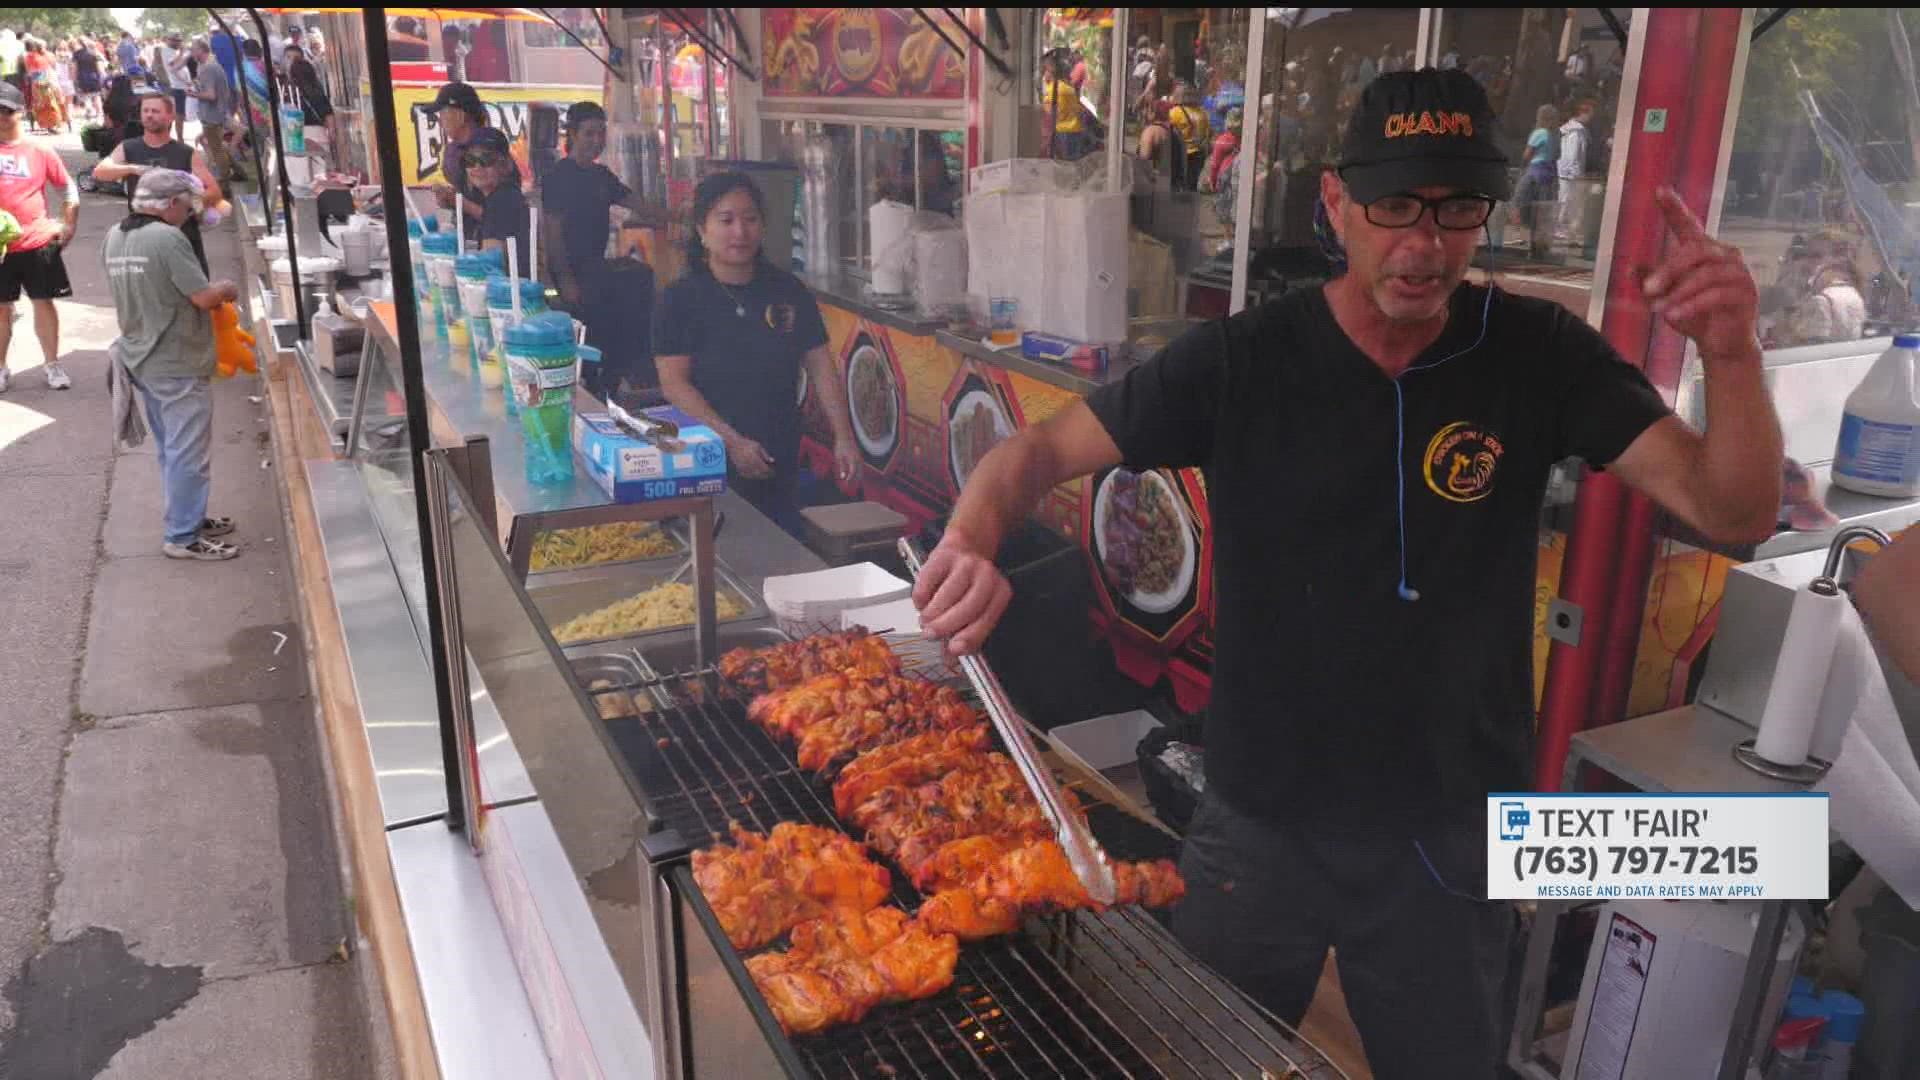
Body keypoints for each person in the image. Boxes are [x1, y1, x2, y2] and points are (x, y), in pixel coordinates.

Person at [911, 69, 1783, 1078]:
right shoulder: (1244, 359)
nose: (1425, 243)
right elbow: (1031, 455)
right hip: (1260, 816)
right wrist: (969, 541)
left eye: (1458, 210)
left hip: (1448, 830)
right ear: (1337, 205)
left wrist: (1732, 355)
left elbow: (1735, 510)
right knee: (1196, 1059)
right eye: (1395, 206)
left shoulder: (1540, 354)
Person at [654, 172, 860, 538]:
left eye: (750, 219)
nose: (740, 232)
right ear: (702, 230)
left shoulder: (787, 291)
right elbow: (674, 383)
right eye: (726, 220)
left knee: (778, 547)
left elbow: (820, 367)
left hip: (778, 452)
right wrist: (731, 442)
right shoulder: (681, 299)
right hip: (705, 458)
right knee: (718, 556)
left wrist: (843, 436)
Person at [106, 169, 242, 561]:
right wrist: (227, 289)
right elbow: (202, 297)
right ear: (170, 204)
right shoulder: (167, 238)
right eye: (187, 205)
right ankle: (183, 536)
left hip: (141, 356)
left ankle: (188, 517)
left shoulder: (117, 236)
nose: (190, 213)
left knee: (172, 449)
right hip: (176, 358)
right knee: (188, 452)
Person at [541, 100, 666, 400]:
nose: (596, 141)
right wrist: (566, 281)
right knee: (587, 344)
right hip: (570, 276)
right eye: (588, 134)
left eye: (601, 133)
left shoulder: (602, 176)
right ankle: (590, 392)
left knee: (617, 324)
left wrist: (682, 216)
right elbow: (553, 237)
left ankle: (610, 386)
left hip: (597, 270)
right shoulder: (558, 178)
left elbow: (638, 205)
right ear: (571, 134)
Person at [94, 92, 227, 275]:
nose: (149, 115)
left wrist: (188, 204)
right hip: (144, 235)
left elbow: (214, 192)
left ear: (170, 116)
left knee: (195, 293)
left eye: (155, 111)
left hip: (183, 236)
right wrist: (132, 169)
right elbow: (100, 172)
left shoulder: (185, 152)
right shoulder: (128, 147)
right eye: (145, 111)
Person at [0, 84, 78, 393]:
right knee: (2, 308)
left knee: (43, 302)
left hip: (37, 241)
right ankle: (2, 368)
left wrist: (68, 225)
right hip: (2, 249)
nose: (2, 117)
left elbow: (67, 188)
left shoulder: (40, 150)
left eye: (7, 111)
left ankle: (52, 364)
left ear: (21, 112)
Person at [423, 81, 491, 222]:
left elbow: (500, 218)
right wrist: (449, 199)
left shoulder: (488, 149)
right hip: (466, 235)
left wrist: (459, 202)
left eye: (442, 113)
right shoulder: (454, 149)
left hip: (494, 240)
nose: (440, 122)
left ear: (460, 115)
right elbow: (469, 198)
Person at [463, 127, 529, 270]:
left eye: (486, 159)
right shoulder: (505, 195)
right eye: (470, 160)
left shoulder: (502, 200)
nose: (477, 167)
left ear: (505, 165)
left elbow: (488, 268)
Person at [1513, 103, 1559, 260]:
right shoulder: (1553, 135)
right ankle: (1538, 247)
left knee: (1519, 201)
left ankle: (1529, 240)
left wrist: (1521, 166)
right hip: (1548, 174)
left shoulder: (1539, 133)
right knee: (1541, 211)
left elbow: (1527, 154)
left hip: (1534, 172)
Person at [187, 38, 235, 181]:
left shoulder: (208, 68)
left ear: (201, 50)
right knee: (219, 147)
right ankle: (238, 172)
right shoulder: (209, 66)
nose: (191, 52)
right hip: (216, 113)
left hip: (212, 115)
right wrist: (197, 84)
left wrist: (192, 94)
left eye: (193, 49)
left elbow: (211, 95)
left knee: (217, 150)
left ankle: (224, 182)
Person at [282, 44, 338, 164]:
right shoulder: (317, 89)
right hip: (319, 137)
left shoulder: (286, 91)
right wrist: (332, 135)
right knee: (321, 176)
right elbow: (328, 113)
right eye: (288, 57)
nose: (291, 61)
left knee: (301, 179)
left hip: (296, 139)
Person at [1555, 98, 1596, 244]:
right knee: (1566, 199)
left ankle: (1562, 227)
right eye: (1590, 113)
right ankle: (1558, 227)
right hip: (1569, 173)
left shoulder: (1572, 130)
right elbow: (1572, 155)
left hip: (1566, 172)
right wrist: (1576, 174)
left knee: (1566, 199)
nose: (1592, 117)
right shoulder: (1576, 132)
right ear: (1582, 113)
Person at [1041, 50, 1089, 161]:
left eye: (1045, 70)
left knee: (1064, 165)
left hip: (1064, 132)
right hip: (1072, 131)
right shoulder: (1065, 87)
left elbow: (1055, 114)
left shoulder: (1056, 89)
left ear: (1052, 70)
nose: (1044, 74)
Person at [1166, 84, 1211, 185]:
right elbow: (1207, 132)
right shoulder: (1202, 113)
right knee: (1193, 181)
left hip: (1181, 152)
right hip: (1199, 152)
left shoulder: (1175, 112)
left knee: (1179, 181)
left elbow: (1168, 132)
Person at [22, 39, 66, 134]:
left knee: (43, 105)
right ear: (40, 47)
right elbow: (41, 71)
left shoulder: (31, 56)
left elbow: (30, 71)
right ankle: (51, 125)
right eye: (43, 47)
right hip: (43, 82)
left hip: (37, 82)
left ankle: (48, 125)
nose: (44, 48)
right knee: (48, 104)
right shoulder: (39, 57)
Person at [159, 32, 190, 140]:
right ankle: (180, 139)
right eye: (176, 41)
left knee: (181, 114)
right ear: (169, 40)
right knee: (179, 115)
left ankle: (178, 138)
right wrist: (182, 53)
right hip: (178, 86)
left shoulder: (173, 50)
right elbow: (172, 65)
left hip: (182, 85)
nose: (179, 43)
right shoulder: (166, 50)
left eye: (180, 41)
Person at [72, 37, 102, 122]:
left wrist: (74, 79)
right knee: (96, 96)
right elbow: (99, 67)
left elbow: (75, 68)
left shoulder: (77, 53)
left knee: (86, 96)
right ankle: (99, 114)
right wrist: (99, 75)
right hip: (94, 77)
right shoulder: (94, 53)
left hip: (82, 77)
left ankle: (88, 109)